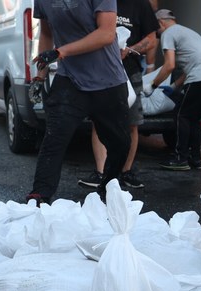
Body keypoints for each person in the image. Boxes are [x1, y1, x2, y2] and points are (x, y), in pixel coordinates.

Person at [25, 0, 131, 205]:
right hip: (70, 80)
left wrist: (61, 52)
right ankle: (40, 194)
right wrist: (40, 76)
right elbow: (47, 34)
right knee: (55, 138)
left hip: (107, 80)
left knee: (119, 143)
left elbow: (107, 34)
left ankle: (107, 187)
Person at [78, 0, 159, 191]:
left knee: (132, 123)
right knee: (100, 122)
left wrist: (129, 50)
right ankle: (101, 173)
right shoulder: (97, 2)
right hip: (101, 71)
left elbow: (151, 39)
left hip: (129, 72)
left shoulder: (140, 5)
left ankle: (126, 172)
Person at [147, 9, 201, 171]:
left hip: (200, 78)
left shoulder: (168, 33)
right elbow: (191, 65)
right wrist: (174, 87)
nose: (156, 34)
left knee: (182, 116)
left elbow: (169, 65)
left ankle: (180, 158)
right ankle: (196, 159)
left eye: (155, 29)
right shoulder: (190, 33)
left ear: (161, 22)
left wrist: (152, 85)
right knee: (194, 118)